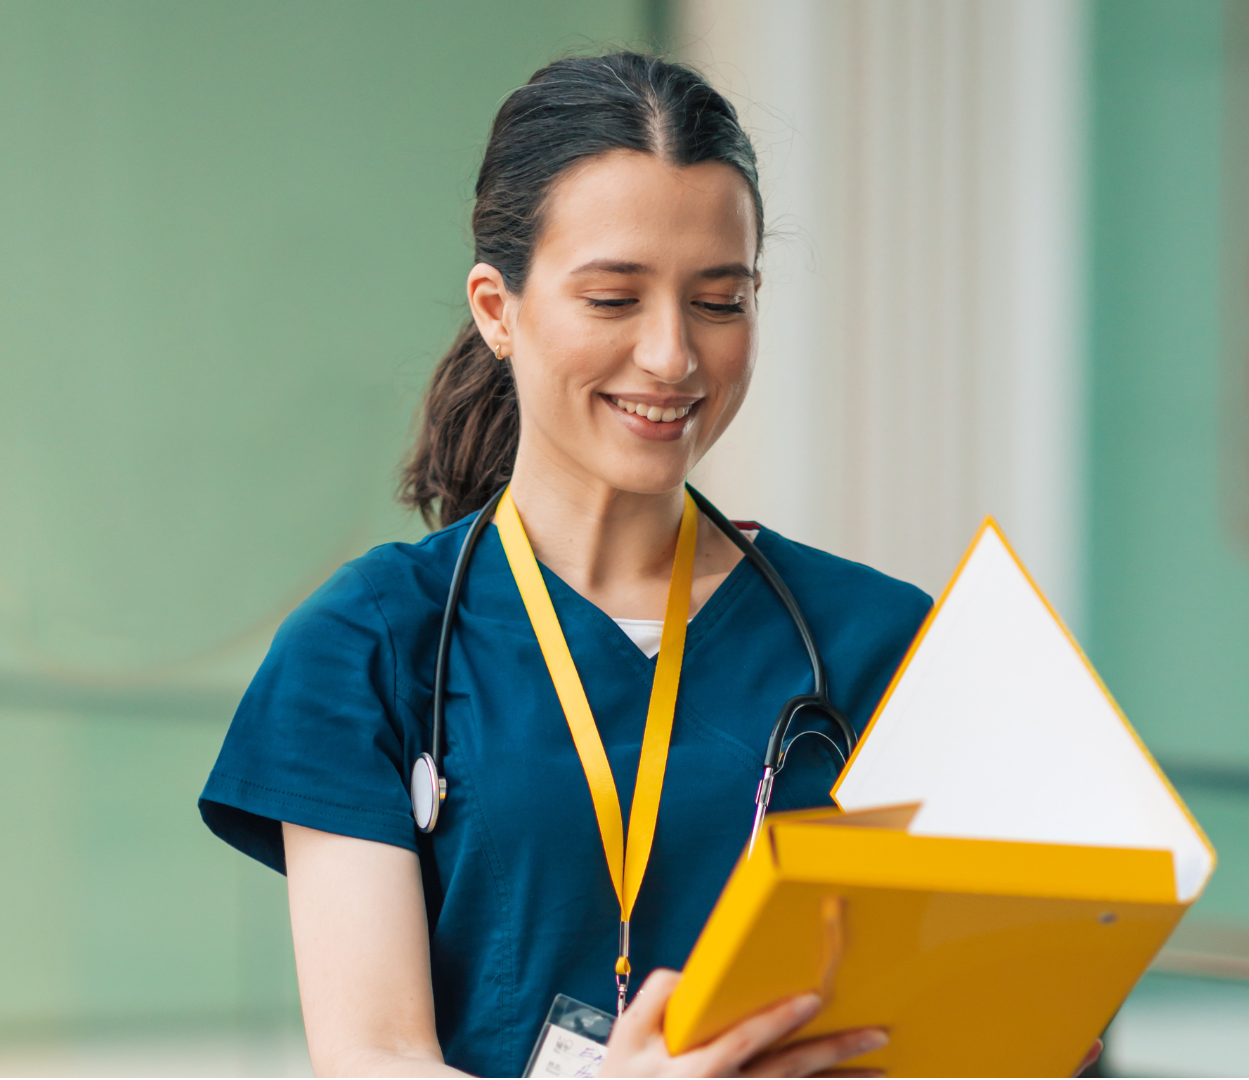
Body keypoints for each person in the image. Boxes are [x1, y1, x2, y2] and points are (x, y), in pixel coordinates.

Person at [199, 52, 934, 1077]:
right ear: (499, 310)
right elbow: (373, 1057)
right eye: (613, 300)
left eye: (720, 301)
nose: (674, 356)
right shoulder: (370, 645)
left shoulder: (882, 641)